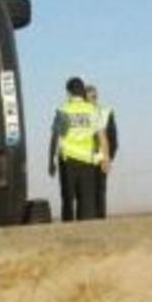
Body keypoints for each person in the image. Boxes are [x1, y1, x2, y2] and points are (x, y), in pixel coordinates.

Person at [48, 78, 110, 221]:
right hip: (87, 163)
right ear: (82, 92)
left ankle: (68, 234)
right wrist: (105, 159)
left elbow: (55, 138)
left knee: (68, 201)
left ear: (68, 93)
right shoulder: (92, 109)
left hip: (67, 161)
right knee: (87, 204)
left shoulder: (63, 109)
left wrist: (50, 161)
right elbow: (102, 137)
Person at [86, 84, 119, 219]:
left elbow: (113, 139)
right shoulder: (79, 114)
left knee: (99, 192)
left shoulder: (105, 112)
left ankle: (100, 222)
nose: (91, 100)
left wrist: (108, 159)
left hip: (101, 159)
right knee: (85, 195)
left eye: (93, 96)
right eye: (88, 97)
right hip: (84, 159)